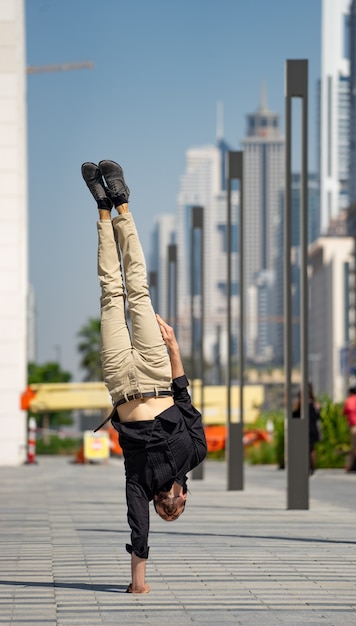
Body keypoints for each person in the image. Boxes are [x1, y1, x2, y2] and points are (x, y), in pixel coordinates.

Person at [81, 160, 207, 594]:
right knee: (137, 289)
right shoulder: (195, 454)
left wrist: (139, 584)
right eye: (177, 510)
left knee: (109, 293)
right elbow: (186, 401)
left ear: (160, 503)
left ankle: (101, 211)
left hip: (120, 380)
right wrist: (175, 353)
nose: (170, 506)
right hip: (156, 370)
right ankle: (122, 203)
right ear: (185, 497)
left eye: (165, 510)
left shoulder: (140, 482)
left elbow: (138, 526)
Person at [292, 383, 320, 474]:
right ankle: (312, 467)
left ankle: (306, 466)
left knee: (304, 449)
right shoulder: (314, 403)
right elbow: (317, 416)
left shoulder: (300, 403)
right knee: (311, 449)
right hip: (313, 428)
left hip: (303, 428)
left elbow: (294, 416)